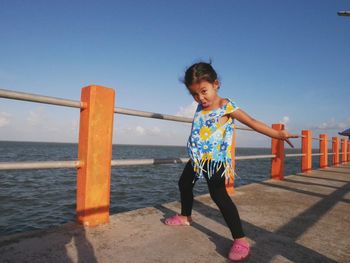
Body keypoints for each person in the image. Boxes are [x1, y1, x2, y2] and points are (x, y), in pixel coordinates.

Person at [164, 62, 299, 261]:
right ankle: (186, 217)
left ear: (215, 84)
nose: (201, 98)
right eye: (195, 94)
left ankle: (240, 239)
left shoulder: (226, 105)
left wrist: (277, 134)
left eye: (204, 91)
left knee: (219, 195)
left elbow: (252, 122)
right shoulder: (201, 107)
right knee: (184, 184)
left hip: (216, 160)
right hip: (197, 158)